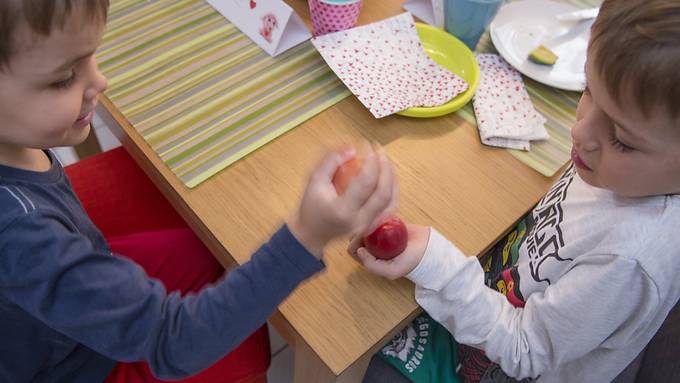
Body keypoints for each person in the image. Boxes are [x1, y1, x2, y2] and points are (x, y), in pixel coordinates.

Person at [0, 1, 398, 382]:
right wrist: (309, 234)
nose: (99, 81)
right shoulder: (25, 239)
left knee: (220, 248)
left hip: (66, 294)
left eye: (91, 56)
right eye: (65, 76)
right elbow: (177, 344)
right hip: (73, 368)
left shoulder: (15, 138)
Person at [354, 0, 680, 381]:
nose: (580, 133)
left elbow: (525, 350)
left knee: (363, 354)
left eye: (622, 140)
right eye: (587, 89)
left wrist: (436, 263)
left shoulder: (628, 262)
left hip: (504, 363)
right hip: (496, 300)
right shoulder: (623, 171)